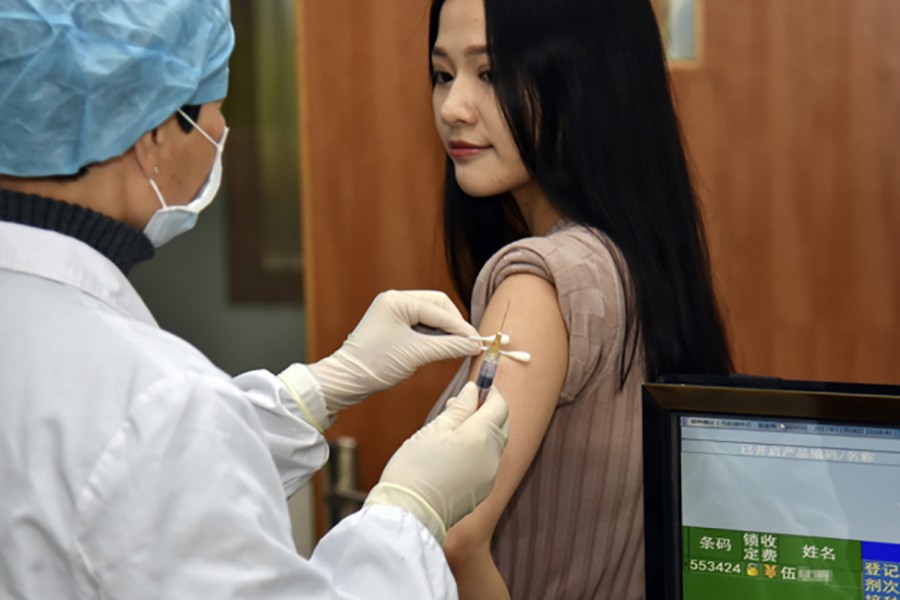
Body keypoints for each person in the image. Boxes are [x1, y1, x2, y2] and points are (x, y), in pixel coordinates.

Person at [0, 1, 510, 598]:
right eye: (216, 105)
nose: (220, 132)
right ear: (155, 134)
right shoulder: (155, 406)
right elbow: (149, 457)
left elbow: (132, 487)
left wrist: (318, 389)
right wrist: (407, 513)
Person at [424, 0, 734, 597]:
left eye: (490, 74)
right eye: (443, 74)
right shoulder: (635, 260)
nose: (453, 108)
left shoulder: (539, 280)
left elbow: (456, 533)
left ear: (585, 78)